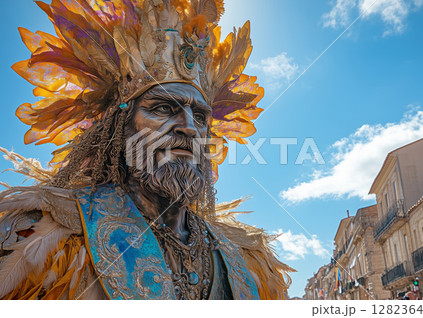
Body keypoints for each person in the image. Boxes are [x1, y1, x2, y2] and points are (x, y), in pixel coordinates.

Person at [0, 0, 293, 300]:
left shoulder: (247, 262)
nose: (189, 128)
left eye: (201, 117)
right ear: (120, 126)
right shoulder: (47, 240)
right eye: (165, 108)